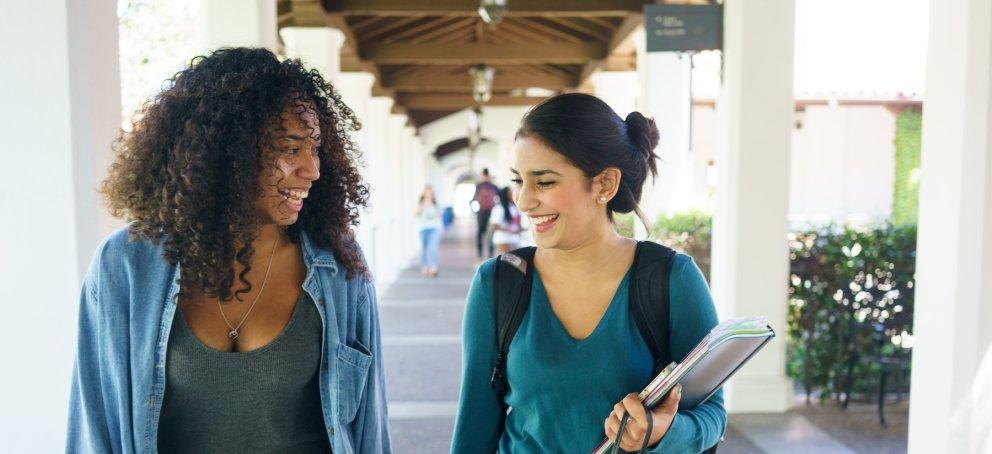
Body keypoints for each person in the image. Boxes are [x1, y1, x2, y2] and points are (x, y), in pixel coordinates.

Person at [66, 48, 390, 453]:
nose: (313, 169)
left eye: (315, 148)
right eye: (290, 148)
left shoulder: (338, 265)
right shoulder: (126, 267)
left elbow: (369, 432)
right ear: (224, 150)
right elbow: (94, 429)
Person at [451, 93, 726, 453]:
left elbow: (712, 415)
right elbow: (475, 426)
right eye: (519, 180)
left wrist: (662, 431)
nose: (523, 200)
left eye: (544, 182)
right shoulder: (498, 283)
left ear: (605, 184)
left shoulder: (672, 279)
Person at [415, 185, 443, 277]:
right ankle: (424, 266)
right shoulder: (421, 203)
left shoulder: (435, 204)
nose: (429, 195)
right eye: (427, 193)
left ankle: (433, 267)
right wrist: (422, 207)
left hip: (433, 228)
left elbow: (439, 215)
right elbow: (415, 214)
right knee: (424, 248)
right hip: (423, 229)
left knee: (433, 248)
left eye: (430, 193)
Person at [471, 168, 500, 259]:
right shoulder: (493, 186)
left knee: (480, 233)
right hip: (491, 213)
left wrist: (474, 211)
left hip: (481, 213)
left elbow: (473, 199)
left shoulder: (479, 185)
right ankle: (490, 255)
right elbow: (499, 199)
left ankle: (480, 255)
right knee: (490, 233)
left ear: (482, 175)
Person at [488, 186, 523, 254]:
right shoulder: (499, 208)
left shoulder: (514, 207)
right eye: (511, 192)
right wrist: (509, 230)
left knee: (516, 262)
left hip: (514, 240)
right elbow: (493, 226)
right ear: (506, 195)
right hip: (503, 240)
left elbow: (517, 223)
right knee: (508, 262)